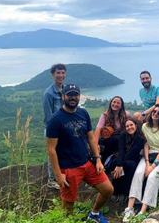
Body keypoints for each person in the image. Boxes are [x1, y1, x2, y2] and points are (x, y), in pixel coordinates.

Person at [46, 84, 113, 223]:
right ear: (63, 96)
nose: (73, 98)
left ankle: (94, 214)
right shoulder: (55, 120)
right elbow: (51, 149)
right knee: (68, 205)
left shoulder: (83, 113)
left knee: (108, 189)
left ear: (79, 96)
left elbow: (90, 137)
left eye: (75, 95)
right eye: (69, 94)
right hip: (68, 168)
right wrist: (58, 175)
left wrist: (98, 159)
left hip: (87, 163)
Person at [123, 104, 159, 222]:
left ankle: (142, 211)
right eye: (154, 111)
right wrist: (146, 162)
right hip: (147, 155)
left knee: (152, 177)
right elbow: (145, 145)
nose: (155, 114)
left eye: (158, 113)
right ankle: (129, 208)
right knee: (138, 173)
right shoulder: (145, 126)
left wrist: (152, 166)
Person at [105, 118, 145, 203]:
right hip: (121, 156)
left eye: (131, 125)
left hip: (133, 159)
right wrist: (119, 164)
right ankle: (115, 190)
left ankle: (124, 191)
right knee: (115, 163)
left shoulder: (140, 138)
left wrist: (120, 165)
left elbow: (132, 153)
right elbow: (121, 149)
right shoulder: (123, 135)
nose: (129, 127)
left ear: (136, 126)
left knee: (129, 165)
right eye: (127, 126)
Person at [42, 63, 66, 189]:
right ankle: (52, 180)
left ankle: (63, 175)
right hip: (52, 129)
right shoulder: (49, 94)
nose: (61, 75)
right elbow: (48, 117)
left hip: (64, 128)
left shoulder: (66, 90)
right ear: (52, 75)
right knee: (53, 152)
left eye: (62, 73)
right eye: (58, 73)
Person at [94, 96, 132, 164]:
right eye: (114, 102)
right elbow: (98, 129)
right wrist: (95, 144)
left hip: (121, 136)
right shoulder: (105, 115)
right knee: (101, 141)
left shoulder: (126, 115)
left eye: (118, 103)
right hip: (109, 137)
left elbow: (132, 125)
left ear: (121, 106)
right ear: (111, 103)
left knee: (115, 139)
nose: (115, 104)